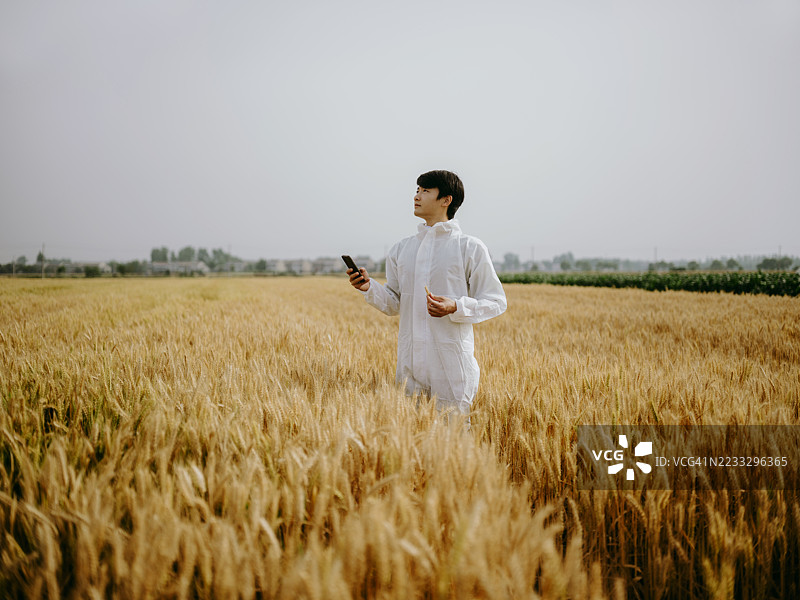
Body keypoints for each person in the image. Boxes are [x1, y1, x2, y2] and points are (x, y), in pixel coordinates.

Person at [348, 170, 507, 416]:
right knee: (412, 438)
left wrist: (456, 306)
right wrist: (369, 287)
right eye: (417, 190)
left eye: (425, 191)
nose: (416, 196)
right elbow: (394, 303)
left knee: (452, 438)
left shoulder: (469, 248)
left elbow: (496, 301)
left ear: (446, 200)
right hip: (409, 367)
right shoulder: (402, 249)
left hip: (450, 367)